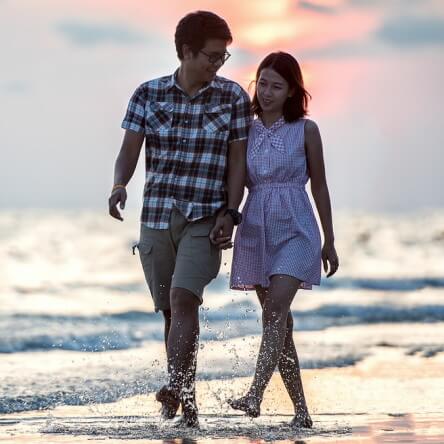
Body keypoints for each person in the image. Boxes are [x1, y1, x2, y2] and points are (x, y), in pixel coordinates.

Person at [108, 11, 252, 427]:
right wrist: (119, 185)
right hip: (156, 215)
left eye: (224, 57)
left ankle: (176, 388)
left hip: (205, 217)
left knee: (184, 298)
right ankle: (185, 401)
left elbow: (237, 162)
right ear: (186, 52)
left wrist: (230, 211)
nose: (218, 64)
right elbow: (129, 151)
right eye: (211, 56)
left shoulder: (232, 98)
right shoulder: (147, 94)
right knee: (172, 314)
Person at [228, 52, 339, 428]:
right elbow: (234, 180)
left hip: (297, 228)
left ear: (293, 90)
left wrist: (329, 239)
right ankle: (302, 413)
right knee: (279, 325)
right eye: (263, 83)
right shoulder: (246, 128)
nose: (268, 91)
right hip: (256, 228)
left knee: (275, 311)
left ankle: (254, 395)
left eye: (278, 85)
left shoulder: (307, 130)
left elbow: (320, 186)